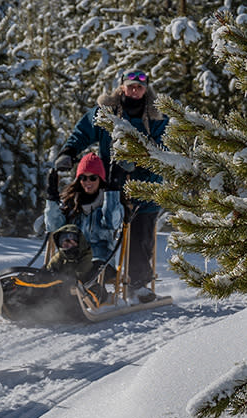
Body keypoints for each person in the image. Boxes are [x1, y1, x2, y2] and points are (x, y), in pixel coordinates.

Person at [53, 69, 168, 304]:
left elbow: (164, 149)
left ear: (146, 89)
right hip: (109, 186)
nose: (135, 91)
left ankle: (138, 284)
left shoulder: (157, 116)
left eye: (139, 87)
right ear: (122, 87)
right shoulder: (106, 112)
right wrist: (68, 152)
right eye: (130, 86)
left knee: (139, 233)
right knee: (95, 228)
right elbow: (82, 132)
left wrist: (138, 159)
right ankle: (89, 275)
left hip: (145, 186)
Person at [44, 153, 124, 300]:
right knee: (51, 273)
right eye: (83, 177)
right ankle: (43, 300)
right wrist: (52, 197)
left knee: (86, 274)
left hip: (101, 260)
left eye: (93, 177)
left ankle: (95, 296)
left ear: (100, 179)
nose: (88, 181)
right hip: (72, 258)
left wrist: (113, 190)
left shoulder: (107, 203)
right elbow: (54, 227)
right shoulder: (71, 202)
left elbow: (113, 222)